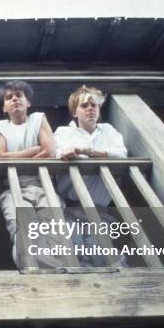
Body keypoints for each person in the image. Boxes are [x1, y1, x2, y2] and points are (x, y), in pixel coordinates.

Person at [54, 85, 128, 266]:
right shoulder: (64, 132)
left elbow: (121, 153)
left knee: (102, 252)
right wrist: (68, 153)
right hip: (70, 208)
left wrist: (89, 151)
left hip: (100, 208)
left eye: (94, 105)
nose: (90, 109)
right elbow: (56, 152)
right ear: (74, 112)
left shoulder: (108, 131)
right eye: (84, 105)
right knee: (75, 250)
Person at [0, 80, 59, 268]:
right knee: (23, 230)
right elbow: (2, 157)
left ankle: (53, 273)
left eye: (19, 95)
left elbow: (50, 153)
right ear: (4, 107)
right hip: (13, 189)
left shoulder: (38, 119)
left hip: (43, 186)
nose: (14, 99)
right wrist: (34, 150)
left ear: (28, 102)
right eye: (8, 97)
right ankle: (31, 271)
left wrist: (18, 158)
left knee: (53, 231)